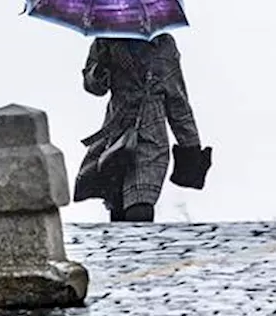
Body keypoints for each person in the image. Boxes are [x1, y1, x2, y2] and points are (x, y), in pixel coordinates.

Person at [73, 34, 203, 222]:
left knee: (141, 205)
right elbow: (94, 87)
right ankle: (121, 250)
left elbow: (176, 98)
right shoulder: (105, 41)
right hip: (117, 129)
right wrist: (99, 69)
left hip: (152, 132)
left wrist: (190, 145)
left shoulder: (164, 43)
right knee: (117, 205)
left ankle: (142, 247)